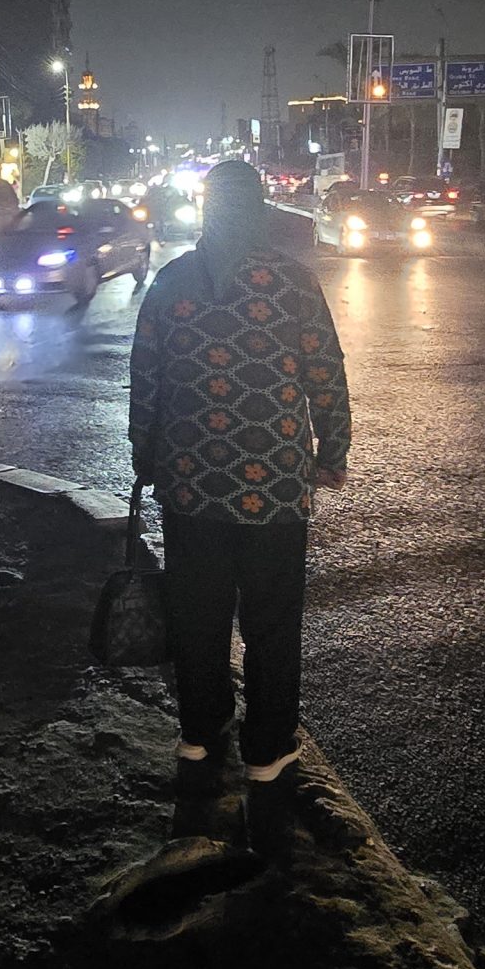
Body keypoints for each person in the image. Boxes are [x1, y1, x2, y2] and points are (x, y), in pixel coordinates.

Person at [127, 159, 349, 863]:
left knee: (198, 615)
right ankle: (268, 754)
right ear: (256, 211)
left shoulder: (172, 283)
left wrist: (145, 456)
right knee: (272, 624)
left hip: (191, 487)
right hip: (276, 489)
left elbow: (146, 379)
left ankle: (200, 735)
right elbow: (325, 371)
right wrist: (332, 447)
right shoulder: (292, 282)